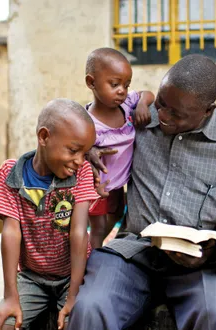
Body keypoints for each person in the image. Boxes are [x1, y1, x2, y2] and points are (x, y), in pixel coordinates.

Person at [66, 54, 216, 330]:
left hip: (202, 261)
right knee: (91, 307)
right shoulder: (137, 119)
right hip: (135, 250)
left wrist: (208, 252)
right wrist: (88, 148)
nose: (163, 116)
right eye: (162, 104)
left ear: (208, 110)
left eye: (177, 114)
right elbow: (84, 125)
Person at [0, 99, 100, 330]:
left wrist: (74, 295)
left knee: (76, 323)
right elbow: (11, 232)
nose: (80, 160)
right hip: (31, 277)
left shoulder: (83, 173)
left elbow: (79, 232)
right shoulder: (10, 174)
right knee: (3, 327)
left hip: (73, 276)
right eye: (73, 150)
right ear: (44, 137)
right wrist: (10, 296)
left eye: (85, 152)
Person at [84, 47, 154, 249]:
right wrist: (89, 151)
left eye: (126, 84)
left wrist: (141, 104)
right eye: (114, 84)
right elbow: (75, 146)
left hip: (119, 183)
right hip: (97, 185)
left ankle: (97, 248)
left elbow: (148, 94)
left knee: (116, 213)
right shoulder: (87, 123)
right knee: (96, 228)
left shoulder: (126, 106)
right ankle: (91, 261)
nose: (122, 90)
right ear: (91, 82)